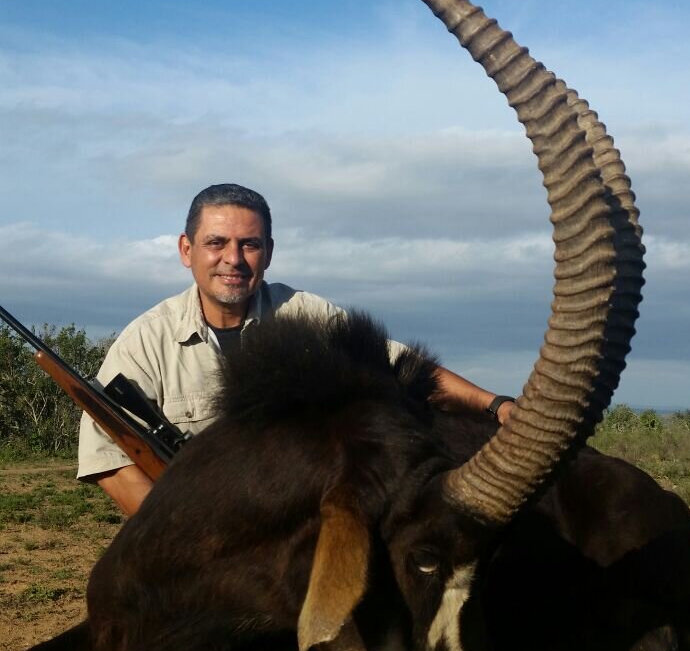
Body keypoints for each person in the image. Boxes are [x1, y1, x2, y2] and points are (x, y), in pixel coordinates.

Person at [78, 183, 515, 517]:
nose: (234, 258)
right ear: (186, 250)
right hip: (199, 536)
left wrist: (495, 405)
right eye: (216, 243)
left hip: (300, 529)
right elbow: (106, 457)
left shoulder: (306, 315)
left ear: (268, 254)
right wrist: (184, 533)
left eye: (249, 244)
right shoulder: (145, 341)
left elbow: (402, 367)